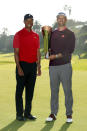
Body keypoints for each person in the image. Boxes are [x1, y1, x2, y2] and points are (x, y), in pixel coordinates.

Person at [46, 12, 75, 123]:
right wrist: (48, 54)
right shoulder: (51, 33)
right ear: (57, 20)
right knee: (54, 91)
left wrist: (56, 56)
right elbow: (48, 48)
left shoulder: (70, 33)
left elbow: (70, 50)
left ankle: (69, 114)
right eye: (59, 18)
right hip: (53, 67)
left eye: (63, 18)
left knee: (67, 91)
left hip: (65, 66)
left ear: (65, 19)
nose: (61, 20)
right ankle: (53, 113)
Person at [13, 14, 41, 121]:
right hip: (22, 65)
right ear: (24, 22)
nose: (30, 22)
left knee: (30, 91)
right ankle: (19, 114)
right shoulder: (18, 35)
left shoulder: (36, 35)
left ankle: (27, 113)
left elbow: (38, 51)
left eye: (31, 20)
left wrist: (39, 66)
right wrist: (19, 67)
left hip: (33, 66)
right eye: (28, 20)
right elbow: (16, 53)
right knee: (19, 91)